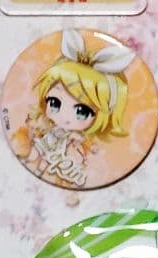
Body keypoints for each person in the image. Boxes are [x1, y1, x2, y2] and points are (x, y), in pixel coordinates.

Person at [11, 28, 133, 187]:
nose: (64, 117)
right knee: (35, 154)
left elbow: (86, 145)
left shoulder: (76, 140)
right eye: (55, 102)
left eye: (82, 111)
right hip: (44, 148)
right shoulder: (44, 125)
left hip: (62, 159)